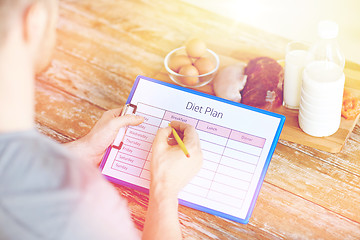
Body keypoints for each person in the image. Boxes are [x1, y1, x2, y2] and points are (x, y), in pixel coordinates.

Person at [0, 0, 203, 239]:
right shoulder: (78, 204)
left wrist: (85, 149)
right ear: (34, 21)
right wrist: (165, 190)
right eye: (56, 22)